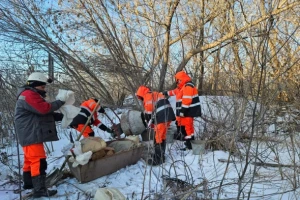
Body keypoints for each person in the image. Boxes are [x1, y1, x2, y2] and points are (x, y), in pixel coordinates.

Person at [14, 72, 65, 198]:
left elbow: (38, 113)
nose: (44, 89)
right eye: (42, 87)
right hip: (31, 134)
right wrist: (61, 101)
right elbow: (44, 109)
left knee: (30, 160)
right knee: (39, 161)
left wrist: (60, 117)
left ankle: (29, 184)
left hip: (28, 133)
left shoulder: (27, 94)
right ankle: (40, 190)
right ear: (34, 85)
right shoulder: (28, 94)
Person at [136, 85, 175, 165]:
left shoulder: (147, 96)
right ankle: (161, 155)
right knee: (162, 135)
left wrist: (148, 119)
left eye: (140, 97)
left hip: (162, 115)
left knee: (158, 137)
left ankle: (158, 159)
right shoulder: (155, 94)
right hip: (168, 114)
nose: (141, 98)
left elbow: (149, 110)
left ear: (141, 94)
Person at [163, 71, 201, 150]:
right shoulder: (182, 87)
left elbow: (187, 100)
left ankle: (189, 144)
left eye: (178, 80)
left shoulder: (188, 86)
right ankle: (188, 142)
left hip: (187, 112)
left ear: (182, 79)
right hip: (184, 112)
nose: (178, 82)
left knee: (188, 128)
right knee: (184, 127)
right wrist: (166, 93)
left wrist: (183, 111)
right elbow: (174, 92)